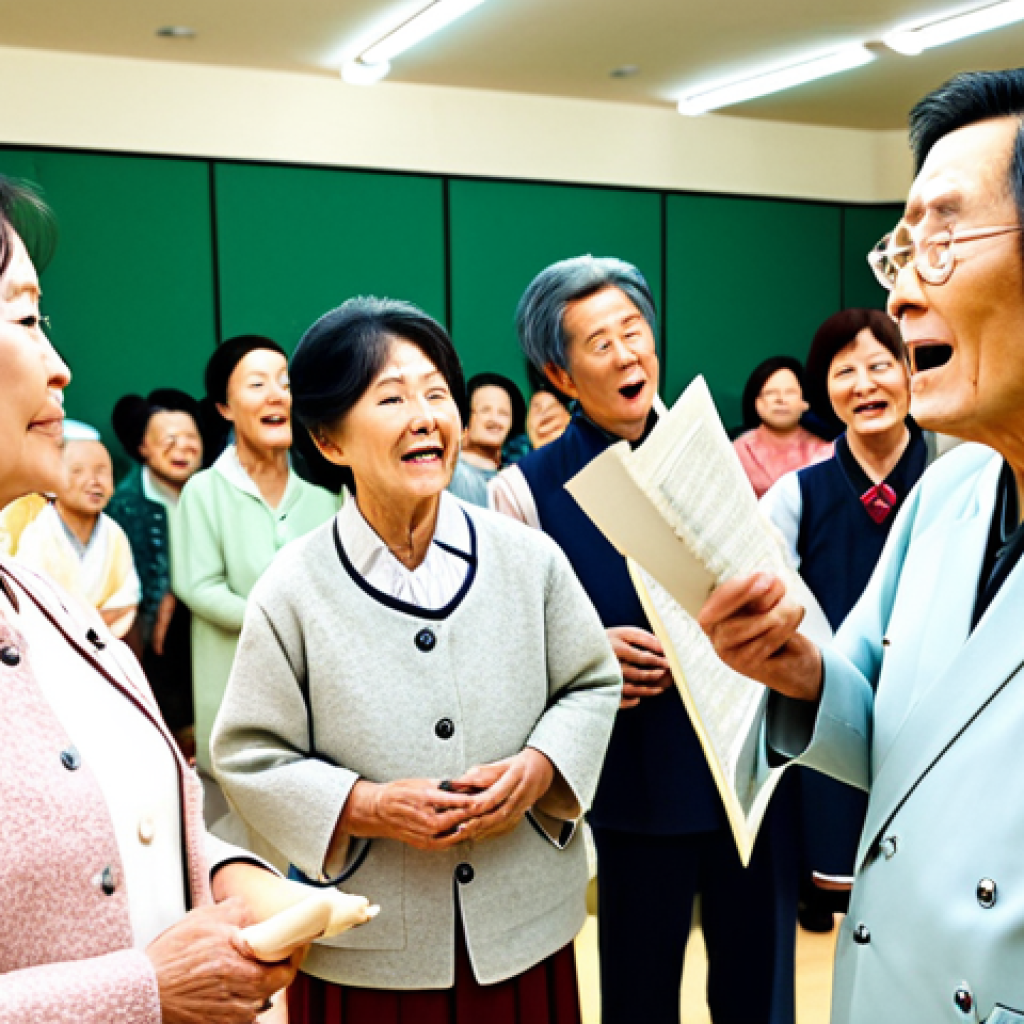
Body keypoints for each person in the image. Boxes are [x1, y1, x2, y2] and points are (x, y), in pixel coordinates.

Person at [0, 173, 370, 1024]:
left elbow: (140, 817)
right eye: (25, 319)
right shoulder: (204, 494)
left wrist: (243, 885)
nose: (60, 367)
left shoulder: (49, 604)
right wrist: (145, 990)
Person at [698, 68, 1024, 1023]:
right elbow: (894, 736)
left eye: (946, 238)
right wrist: (800, 671)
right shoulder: (951, 493)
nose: (905, 295)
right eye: (903, 249)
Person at [211, 296, 621, 1024]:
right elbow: (250, 755)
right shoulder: (294, 587)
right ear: (330, 440)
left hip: (522, 924)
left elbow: (591, 682)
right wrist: (365, 805)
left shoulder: (530, 560)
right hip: (371, 941)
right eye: (392, 397)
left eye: (438, 393)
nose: (427, 415)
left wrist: (537, 771)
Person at [491, 256, 798, 1024]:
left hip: (744, 773)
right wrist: (586, 653)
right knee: (639, 993)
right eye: (601, 343)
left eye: (636, 331)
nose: (630, 354)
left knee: (756, 990)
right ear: (558, 374)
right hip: (634, 786)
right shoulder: (522, 491)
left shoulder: (715, 457)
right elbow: (507, 644)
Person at [759, 311, 927, 933]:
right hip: (836, 726)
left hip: (930, 723)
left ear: (911, 374)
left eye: (881, 365)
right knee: (845, 908)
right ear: (823, 389)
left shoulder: (961, 484)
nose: (864, 383)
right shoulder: (793, 496)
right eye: (844, 371)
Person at [172, 335, 338, 790]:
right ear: (224, 408)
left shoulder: (327, 497)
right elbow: (199, 587)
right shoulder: (203, 491)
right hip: (234, 698)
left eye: (284, 383)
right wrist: (279, 626)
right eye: (257, 383)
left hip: (315, 706)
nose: (276, 395)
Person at [108, 388, 204, 753]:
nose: (182, 448)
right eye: (169, 439)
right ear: (143, 447)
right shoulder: (124, 505)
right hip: (152, 647)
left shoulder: (214, 491)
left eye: (191, 438)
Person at [17, 424, 140, 639]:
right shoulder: (35, 532)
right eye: (77, 471)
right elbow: (28, 604)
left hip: (104, 648)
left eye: (102, 471)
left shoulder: (114, 535)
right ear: (52, 479)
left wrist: (91, 633)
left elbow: (125, 600)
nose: (94, 481)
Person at [733, 356, 833, 498]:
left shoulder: (827, 454)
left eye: (790, 392)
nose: (780, 399)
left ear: (805, 402)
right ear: (757, 402)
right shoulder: (736, 452)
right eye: (770, 393)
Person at [448, 372, 526, 506]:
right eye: (485, 410)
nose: (494, 420)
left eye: (503, 413)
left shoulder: (519, 481)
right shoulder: (445, 471)